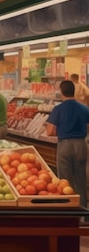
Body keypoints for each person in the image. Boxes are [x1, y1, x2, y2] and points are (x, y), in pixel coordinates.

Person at [45, 80, 89, 209]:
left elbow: (50, 131)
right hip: (81, 145)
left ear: (61, 91)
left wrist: (64, 130)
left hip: (65, 145)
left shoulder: (58, 109)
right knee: (80, 178)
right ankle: (83, 213)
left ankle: (68, 211)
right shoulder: (84, 108)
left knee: (65, 180)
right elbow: (88, 127)